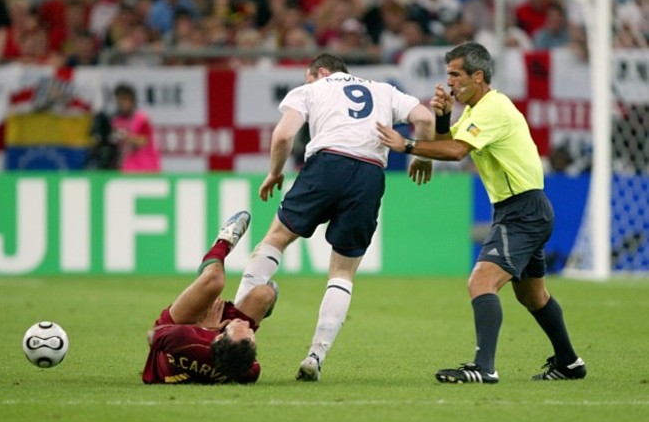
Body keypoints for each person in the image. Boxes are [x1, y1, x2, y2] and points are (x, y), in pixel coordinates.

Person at [376, 42, 586, 383]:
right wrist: (443, 118)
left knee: (481, 281)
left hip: (522, 209)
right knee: (533, 295)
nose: (450, 83)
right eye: (448, 76)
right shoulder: (475, 111)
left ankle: (484, 367)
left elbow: (457, 152)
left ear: (478, 76)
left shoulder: (493, 108)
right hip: (524, 208)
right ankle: (569, 362)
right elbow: (449, 141)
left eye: (456, 75)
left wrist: (408, 146)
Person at [232, 53, 435, 381]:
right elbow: (425, 118)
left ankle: (232, 324)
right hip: (370, 174)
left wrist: (274, 173)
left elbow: (283, 136)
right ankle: (316, 355)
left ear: (321, 72)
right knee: (342, 272)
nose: (305, 83)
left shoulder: (313, 89)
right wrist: (422, 156)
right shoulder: (385, 90)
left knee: (275, 240)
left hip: (327, 164)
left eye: (307, 77)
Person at [142, 211, 279, 384]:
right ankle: (258, 301)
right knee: (265, 294)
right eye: (251, 333)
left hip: (179, 328)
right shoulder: (249, 370)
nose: (246, 325)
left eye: (241, 325)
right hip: (214, 335)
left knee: (215, 281)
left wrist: (203, 329)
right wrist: (222, 329)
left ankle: (223, 241)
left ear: (220, 337)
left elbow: (152, 336)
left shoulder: (184, 339)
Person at [111, 83, 162, 172]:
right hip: (127, 168)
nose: (121, 103)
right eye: (119, 100)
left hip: (147, 167)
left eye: (124, 99)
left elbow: (143, 141)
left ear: (132, 100)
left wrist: (124, 137)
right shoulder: (116, 121)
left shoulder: (142, 119)